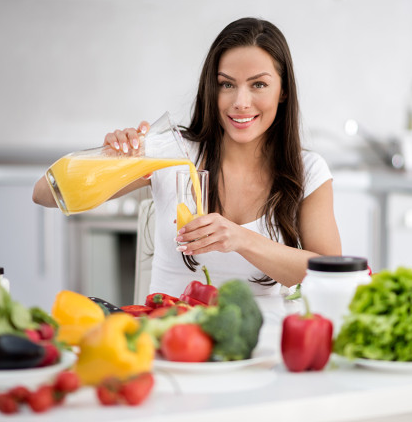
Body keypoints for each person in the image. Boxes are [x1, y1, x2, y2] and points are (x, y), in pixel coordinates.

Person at [33, 17, 341, 298]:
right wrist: (109, 160)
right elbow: (45, 194)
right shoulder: (173, 151)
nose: (240, 102)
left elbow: (332, 273)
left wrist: (241, 239)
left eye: (258, 84)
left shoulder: (307, 170)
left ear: (283, 91)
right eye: (227, 84)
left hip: (262, 345)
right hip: (170, 338)